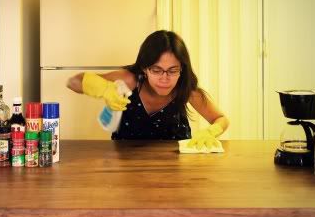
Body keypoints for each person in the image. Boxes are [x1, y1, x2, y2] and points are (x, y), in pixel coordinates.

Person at [66, 30, 229, 149]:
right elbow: (73, 82)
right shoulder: (129, 80)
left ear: (182, 69)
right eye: (156, 70)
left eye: (172, 70)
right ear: (144, 68)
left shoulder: (186, 90)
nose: (164, 78)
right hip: (124, 166)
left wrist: (211, 131)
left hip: (176, 168)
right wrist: (103, 88)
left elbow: (221, 119)